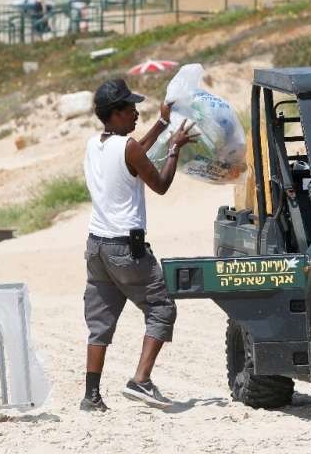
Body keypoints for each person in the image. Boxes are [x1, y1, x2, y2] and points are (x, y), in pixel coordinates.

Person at [81, 78, 198, 412]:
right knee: (161, 308)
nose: (136, 113)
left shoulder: (95, 144)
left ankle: (91, 395)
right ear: (115, 114)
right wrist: (174, 147)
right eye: (130, 108)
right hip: (125, 248)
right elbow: (159, 183)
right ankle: (141, 381)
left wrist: (162, 123)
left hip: (96, 246)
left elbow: (134, 154)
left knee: (100, 320)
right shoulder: (128, 146)